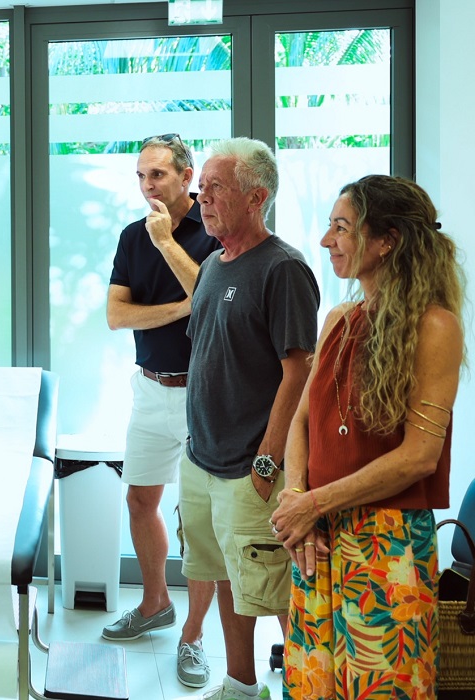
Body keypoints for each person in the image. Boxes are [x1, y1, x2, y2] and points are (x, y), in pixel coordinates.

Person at [271, 175, 463, 699]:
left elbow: (419, 457)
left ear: (387, 241)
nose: (326, 240)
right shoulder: (338, 318)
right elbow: (301, 421)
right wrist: (295, 498)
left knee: (381, 688)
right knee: (313, 685)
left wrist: (312, 503)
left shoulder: (435, 327)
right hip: (317, 536)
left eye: (341, 227)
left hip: (387, 542)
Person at [180, 137, 320, 700]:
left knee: (274, 588)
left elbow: (299, 371)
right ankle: (240, 686)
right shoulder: (211, 265)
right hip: (202, 459)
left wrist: (267, 463)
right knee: (226, 576)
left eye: (215, 187)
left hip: (251, 467)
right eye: (202, 188)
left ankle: (306, 689)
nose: (202, 197)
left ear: (256, 197)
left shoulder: (283, 268)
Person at [103, 133, 219, 688]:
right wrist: (180, 309)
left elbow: (213, 303)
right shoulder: (132, 236)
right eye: (141, 176)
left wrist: (167, 242)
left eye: (158, 175)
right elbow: (116, 315)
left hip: (204, 393)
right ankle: (155, 604)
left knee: (197, 520)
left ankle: (193, 636)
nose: (147, 186)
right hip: (150, 388)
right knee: (140, 500)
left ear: (187, 176)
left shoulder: (212, 229)